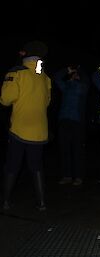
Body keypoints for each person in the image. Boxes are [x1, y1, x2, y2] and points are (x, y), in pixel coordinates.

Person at [0, 40, 51, 211]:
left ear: (25, 54)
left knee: (12, 165)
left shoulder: (17, 72)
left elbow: (6, 100)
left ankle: (5, 201)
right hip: (39, 131)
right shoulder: (45, 77)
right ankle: (41, 203)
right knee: (36, 166)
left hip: (19, 130)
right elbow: (47, 101)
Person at [53, 65, 90, 186]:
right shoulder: (66, 86)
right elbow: (57, 78)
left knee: (77, 150)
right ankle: (67, 176)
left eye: (76, 74)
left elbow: (86, 79)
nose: (74, 75)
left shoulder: (82, 87)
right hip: (64, 121)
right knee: (64, 149)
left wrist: (80, 71)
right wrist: (66, 70)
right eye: (73, 73)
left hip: (77, 122)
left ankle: (78, 176)